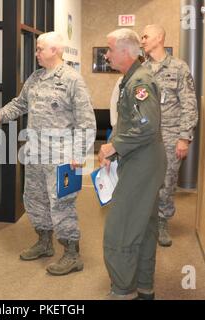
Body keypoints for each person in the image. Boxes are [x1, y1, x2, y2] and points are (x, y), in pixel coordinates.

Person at [0, 32, 96, 276]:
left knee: (62, 204)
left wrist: (79, 155)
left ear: (55, 50)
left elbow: (86, 121)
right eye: (37, 49)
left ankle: (71, 254)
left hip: (62, 156)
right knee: (35, 199)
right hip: (35, 152)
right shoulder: (35, 78)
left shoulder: (72, 79)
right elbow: (19, 104)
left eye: (39, 49)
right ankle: (44, 243)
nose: (36, 53)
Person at [99, 28, 166, 300]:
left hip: (143, 162)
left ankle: (123, 289)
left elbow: (147, 125)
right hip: (142, 159)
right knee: (144, 226)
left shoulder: (140, 81)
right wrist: (115, 148)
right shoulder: (131, 79)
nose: (106, 55)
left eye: (110, 49)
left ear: (126, 52)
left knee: (121, 227)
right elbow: (131, 122)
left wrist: (114, 145)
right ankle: (144, 287)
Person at [141, 25, 198, 247]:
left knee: (167, 181)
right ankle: (147, 220)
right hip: (145, 138)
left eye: (146, 36)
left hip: (171, 135)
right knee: (145, 180)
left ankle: (163, 221)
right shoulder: (142, 70)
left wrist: (184, 138)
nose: (142, 40)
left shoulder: (179, 68)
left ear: (159, 38)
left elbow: (189, 105)